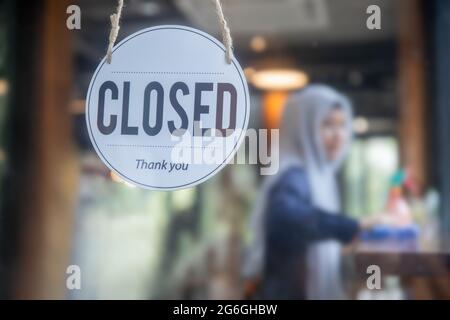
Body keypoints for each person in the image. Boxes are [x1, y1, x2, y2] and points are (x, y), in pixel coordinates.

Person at [243, 84, 378, 300]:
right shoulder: (294, 176)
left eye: (343, 125)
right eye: (327, 125)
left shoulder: (319, 175)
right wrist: (353, 225)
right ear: (303, 128)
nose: (338, 136)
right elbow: (290, 217)